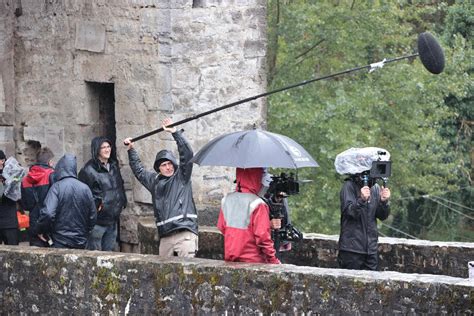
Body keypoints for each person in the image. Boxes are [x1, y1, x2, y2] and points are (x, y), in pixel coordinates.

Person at [124, 118, 198, 257]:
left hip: (185, 233)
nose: (168, 167)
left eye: (170, 163)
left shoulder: (182, 176)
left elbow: (187, 154)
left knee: (188, 274)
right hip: (165, 236)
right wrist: (131, 150)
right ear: (159, 168)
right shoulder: (155, 181)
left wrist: (175, 132)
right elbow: (139, 171)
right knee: (163, 275)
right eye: (164, 165)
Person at [217, 167, 280, 264]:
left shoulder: (226, 200)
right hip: (253, 261)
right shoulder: (258, 204)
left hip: (230, 260)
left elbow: (222, 227)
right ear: (256, 178)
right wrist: (273, 260)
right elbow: (263, 238)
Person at [33, 154, 97, 249]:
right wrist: (85, 232)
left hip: (60, 241)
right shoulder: (85, 188)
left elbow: (48, 213)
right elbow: (92, 215)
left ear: (60, 169)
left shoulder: (56, 187)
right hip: (81, 241)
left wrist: (40, 230)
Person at [78, 136, 127, 251]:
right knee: (95, 255)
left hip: (113, 218)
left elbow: (119, 186)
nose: (107, 149)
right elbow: (83, 195)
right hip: (98, 222)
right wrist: (96, 205)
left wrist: (122, 201)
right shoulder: (88, 170)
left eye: (108, 146)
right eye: (103, 147)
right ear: (97, 150)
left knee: (109, 254)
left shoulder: (114, 166)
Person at [337, 172, 391, 270]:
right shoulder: (349, 186)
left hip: (371, 250)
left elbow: (382, 216)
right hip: (351, 249)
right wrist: (361, 200)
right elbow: (349, 212)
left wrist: (384, 202)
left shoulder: (375, 188)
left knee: (371, 284)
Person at [21, 147, 55, 247]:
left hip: (34, 224)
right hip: (50, 225)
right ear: (49, 162)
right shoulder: (52, 175)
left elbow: (25, 206)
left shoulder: (25, 179)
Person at [0, 150, 21, 245]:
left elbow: (19, 195)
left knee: (14, 255)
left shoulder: (12, 172)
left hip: (9, 222)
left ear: (2, 161)